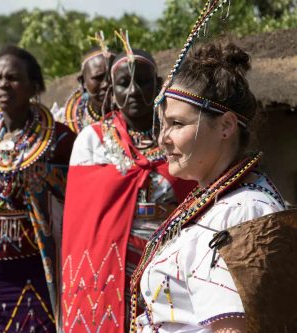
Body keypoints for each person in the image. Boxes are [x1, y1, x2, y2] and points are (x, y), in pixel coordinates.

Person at [130, 42, 286, 333]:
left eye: (176, 123)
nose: (162, 138)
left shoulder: (244, 212)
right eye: (162, 125)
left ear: (226, 126)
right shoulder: (211, 204)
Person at [61, 35, 196, 333]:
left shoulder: (179, 138)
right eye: (123, 83)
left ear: (159, 83)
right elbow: (82, 225)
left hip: (170, 264)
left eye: (144, 82)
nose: (134, 91)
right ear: (112, 88)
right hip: (109, 269)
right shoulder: (92, 140)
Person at [0, 45, 76, 333]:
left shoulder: (59, 141)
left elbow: (72, 201)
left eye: (13, 78)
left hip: (36, 271)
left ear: (34, 86)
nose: (3, 84)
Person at [52, 43, 116, 134]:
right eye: (98, 78)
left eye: (113, 76)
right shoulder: (65, 129)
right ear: (83, 82)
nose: (107, 84)